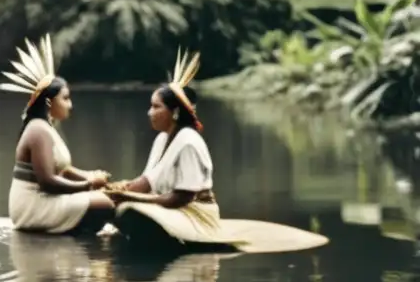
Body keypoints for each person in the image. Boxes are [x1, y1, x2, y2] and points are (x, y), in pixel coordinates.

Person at [106, 49, 329, 253]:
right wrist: (113, 190)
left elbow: (180, 198)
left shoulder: (189, 142)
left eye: (156, 107)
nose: (149, 112)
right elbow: (147, 182)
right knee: (118, 206)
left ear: (174, 112)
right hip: (168, 205)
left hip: (194, 212)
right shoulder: (162, 139)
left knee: (131, 209)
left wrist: (129, 197)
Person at [1, 34, 115, 235]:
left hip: (43, 201)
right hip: (33, 207)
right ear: (48, 102)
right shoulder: (38, 130)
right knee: (104, 204)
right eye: (65, 98)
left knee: (105, 197)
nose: (70, 105)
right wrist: (88, 185)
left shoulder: (47, 128)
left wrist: (90, 176)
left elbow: (63, 168)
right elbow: (48, 182)